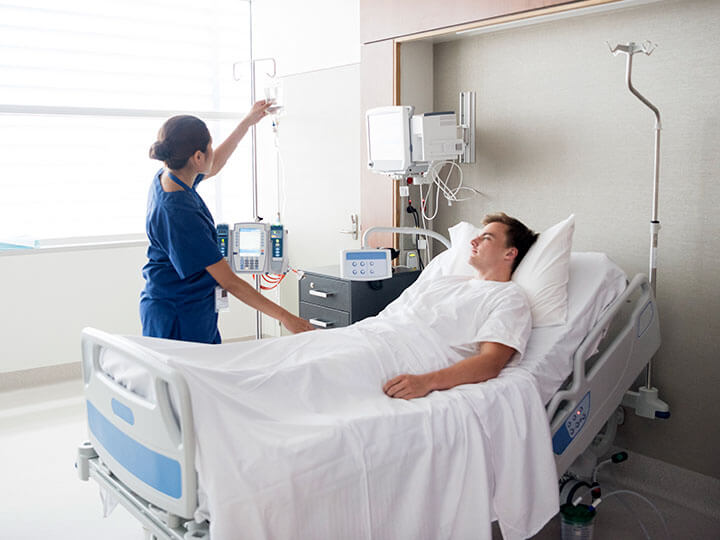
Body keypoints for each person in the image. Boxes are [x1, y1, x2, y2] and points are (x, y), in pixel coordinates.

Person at [140, 101, 314, 344]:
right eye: (209, 146)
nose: (213, 151)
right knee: (188, 379)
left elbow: (214, 165)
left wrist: (247, 122)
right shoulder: (179, 212)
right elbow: (230, 282)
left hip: (179, 304)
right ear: (197, 157)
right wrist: (286, 317)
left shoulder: (170, 175)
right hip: (179, 314)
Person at [382, 212, 538, 399]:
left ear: (510, 253)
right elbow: (391, 317)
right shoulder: (446, 282)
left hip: (409, 358)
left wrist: (426, 381)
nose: (473, 242)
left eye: (486, 238)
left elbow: (491, 362)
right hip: (380, 339)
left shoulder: (509, 298)